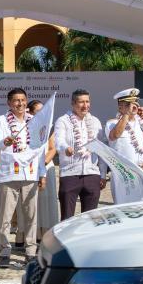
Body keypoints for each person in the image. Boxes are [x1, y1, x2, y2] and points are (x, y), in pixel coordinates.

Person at [0, 87, 46, 268]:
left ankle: (30, 251)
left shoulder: (34, 121)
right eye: (16, 100)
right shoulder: (1, 121)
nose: (20, 103)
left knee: (31, 215)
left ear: (26, 101)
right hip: (9, 174)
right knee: (5, 216)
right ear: (9, 103)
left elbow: (40, 149)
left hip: (30, 173)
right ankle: (5, 251)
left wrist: (42, 173)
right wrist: (4, 142)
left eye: (23, 100)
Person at [54, 89, 105, 220]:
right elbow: (58, 141)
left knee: (90, 218)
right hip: (70, 174)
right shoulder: (63, 121)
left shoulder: (95, 122)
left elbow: (101, 150)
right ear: (73, 103)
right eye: (81, 102)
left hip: (92, 174)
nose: (85, 105)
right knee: (67, 217)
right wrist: (65, 148)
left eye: (87, 101)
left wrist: (103, 175)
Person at [31, 99, 59, 235]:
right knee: (34, 202)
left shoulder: (50, 127)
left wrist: (42, 164)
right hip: (30, 169)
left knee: (47, 201)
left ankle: (48, 231)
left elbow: (53, 149)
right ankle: (35, 232)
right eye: (38, 111)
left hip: (47, 167)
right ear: (31, 113)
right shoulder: (26, 127)